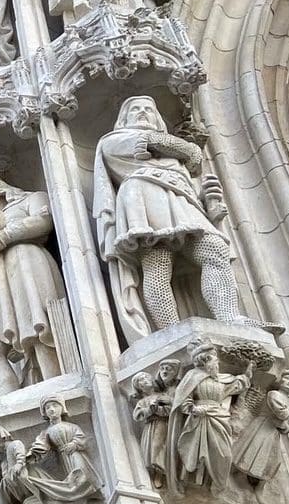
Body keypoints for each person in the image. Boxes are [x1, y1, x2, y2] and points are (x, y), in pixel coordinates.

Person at [94, 96, 258, 342]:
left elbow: (188, 164)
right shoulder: (112, 141)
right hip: (144, 193)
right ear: (124, 119)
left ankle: (229, 317)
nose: (142, 113)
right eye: (136, 110)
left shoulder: (170, 157)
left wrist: (209, 202)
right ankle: (172, 332)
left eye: (149, 109)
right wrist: (189, 149)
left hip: (182, 200)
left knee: (214, 251)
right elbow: (156, 142)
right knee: (157, 262)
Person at [0, 169, 67, 395]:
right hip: (5, 284)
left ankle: (58, 389)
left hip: (29, 266)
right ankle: (9, 406)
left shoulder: (30, 198)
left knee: (38, 328)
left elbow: (43, 220)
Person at [169, 340, 251, 493]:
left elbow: (239, 384)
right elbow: (184, 398)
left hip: (219, 417)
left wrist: (248, 371)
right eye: (215, 360)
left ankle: (217, 482)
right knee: (197, 453)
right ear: (205, 360)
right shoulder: (192, 376)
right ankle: (193, 483)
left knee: (224, 454)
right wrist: (193, 409)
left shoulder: (221, 379)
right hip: (199, 418)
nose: (217, 363)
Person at [233, 369, 289, 486]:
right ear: (281, 380)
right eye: (288, 378)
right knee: (252, 452)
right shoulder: (274, 394)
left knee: (268, 460)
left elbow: (287, 424)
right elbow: (282, 413)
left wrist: (285, 426)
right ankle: (238, 477)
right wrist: (283, 422)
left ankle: (253, 484)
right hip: (262, 427)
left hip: (272, 431)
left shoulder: (287, 401)